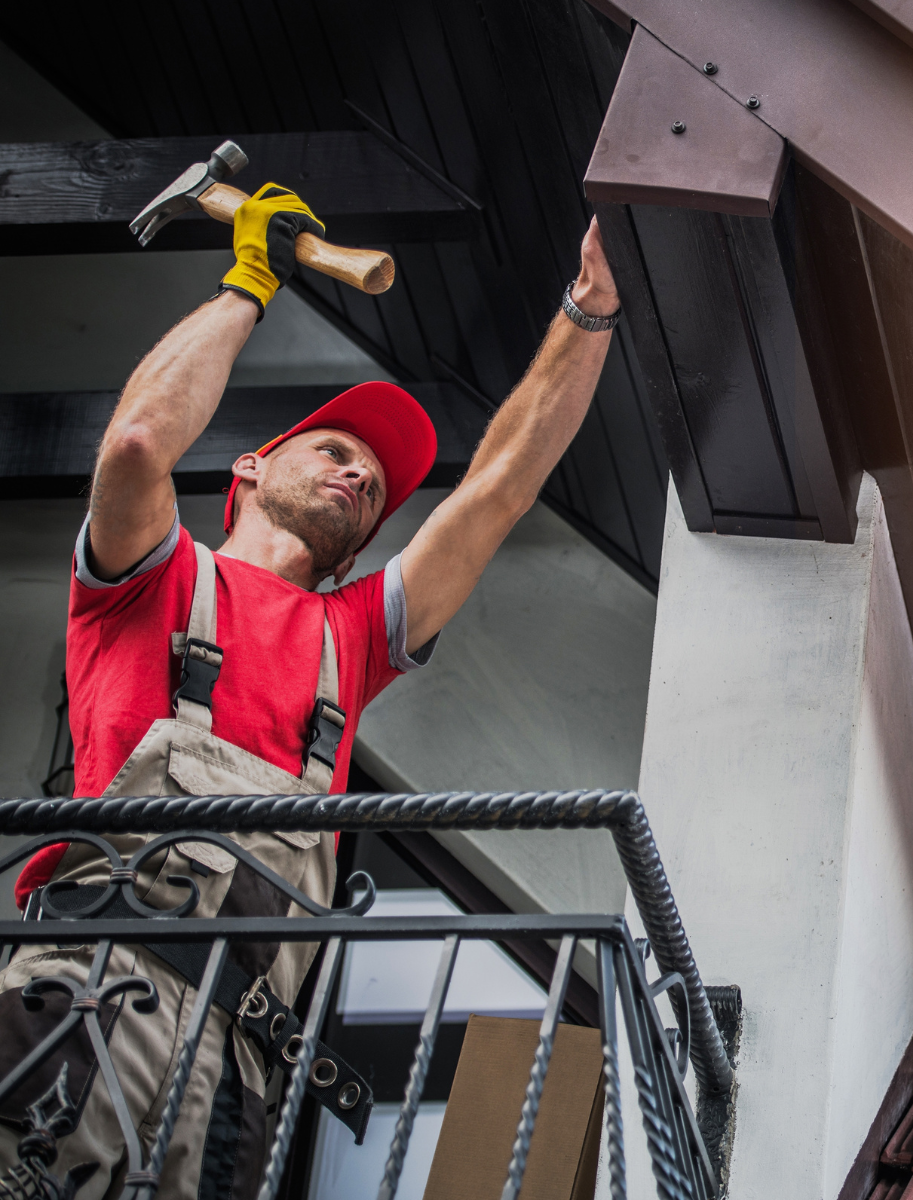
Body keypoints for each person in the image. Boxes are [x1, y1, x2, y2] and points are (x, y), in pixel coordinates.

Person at [0, 183, 621, 1199]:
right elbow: (137, 444)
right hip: (93, 985)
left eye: (374, 486)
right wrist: (253, 277)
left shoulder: (351, 641)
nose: (358, 479)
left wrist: (591, 306)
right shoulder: (154, 578)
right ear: (250, 466)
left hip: (236, 1061)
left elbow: (500, 486)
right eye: (336, 452)